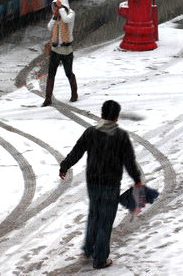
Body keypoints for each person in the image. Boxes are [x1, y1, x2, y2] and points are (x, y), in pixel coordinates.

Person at [59, 100, 143, 270]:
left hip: (93, 182)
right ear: (116, 117)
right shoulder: (120, 136)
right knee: (105, 221)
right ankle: (100, 259)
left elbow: (77, 151)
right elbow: (129, 162)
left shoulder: (91, 132)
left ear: (102, 114)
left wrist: (65, 165)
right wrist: (137, 180)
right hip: (110, 184)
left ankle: (88, 250)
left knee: (94, 215)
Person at [42, 0, 77, 107]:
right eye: (55, 6)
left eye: (57, 6)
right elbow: (49, 27)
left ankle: (74, 94)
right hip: (55, 50)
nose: (55, 9)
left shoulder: (71, 14)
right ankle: (48, 98)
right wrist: (54, 16)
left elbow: (66, 20)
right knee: (51, 74)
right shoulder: (56, 17)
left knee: (68, 73)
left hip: (67, 50)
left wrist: (61, 9)